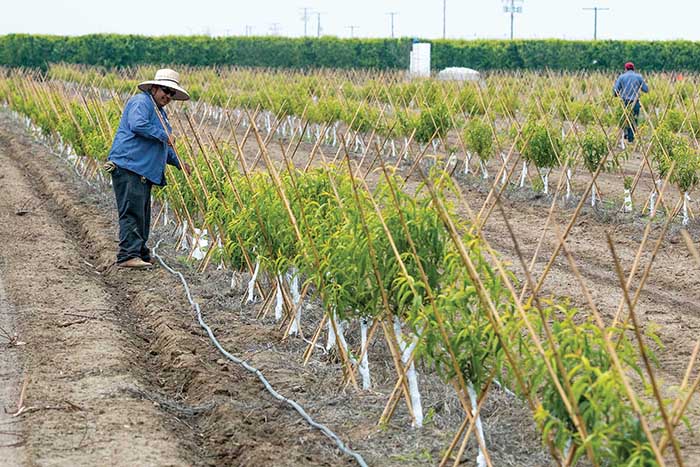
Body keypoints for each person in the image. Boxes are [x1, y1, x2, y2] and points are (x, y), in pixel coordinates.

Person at [105, 69, 190, 269]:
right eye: (164, 90)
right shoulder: (141, 102)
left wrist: (179, 163)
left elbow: (162, 147)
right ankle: (128, 255)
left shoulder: (160, 113)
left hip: (142, 170)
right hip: (129, 166)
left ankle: (140, 252)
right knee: (132, 212)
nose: (167, 96)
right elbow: (137, 124)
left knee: (142, 214)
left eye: (171, 93)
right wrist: (163, 135)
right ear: (153, 87)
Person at [613, 61, 648, 143]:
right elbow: (646, 89)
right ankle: (631, 139)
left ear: (625, 69)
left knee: (625, 119)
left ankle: (627, 135)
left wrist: (616, 94)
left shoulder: (622, 77)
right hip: (635, 102)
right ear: (633, 68)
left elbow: (616, 90)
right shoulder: (638, 77)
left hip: (625, 102)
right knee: (634, 120)